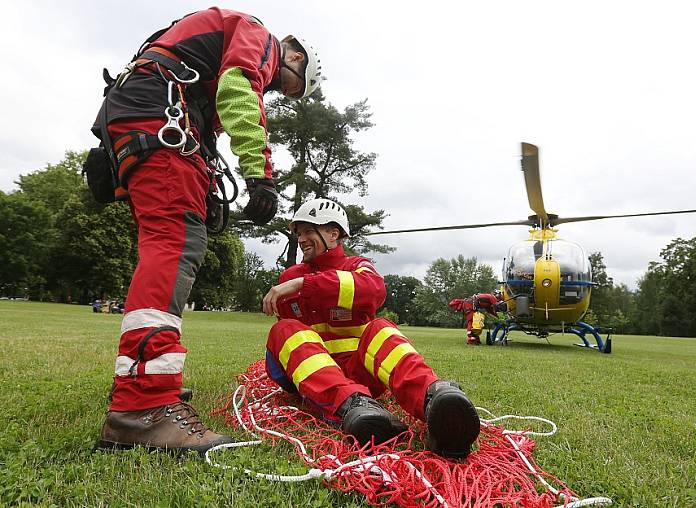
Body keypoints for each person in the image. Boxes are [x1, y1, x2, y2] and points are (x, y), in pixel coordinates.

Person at [96, 8, 322, 454]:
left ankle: (145, 377)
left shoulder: (208, 58)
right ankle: (143, 405)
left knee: (167, 244)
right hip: (155, 121)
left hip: (140, 119)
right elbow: (241, 89)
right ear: (296, 56)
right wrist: (260, 174)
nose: (284, 91)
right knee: (177, 243)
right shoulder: (261, 38)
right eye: (295, 86)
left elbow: (215, 105)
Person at [262, 199, 481, 459]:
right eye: (299, 233)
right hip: (321, 384)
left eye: (309, 230)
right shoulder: (288, 278)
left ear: (333, 234)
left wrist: (304, 285)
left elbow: (374, 290)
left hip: (363, 373)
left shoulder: (357, 266)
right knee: (283, 329)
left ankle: (437, 402)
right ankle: (353, 406)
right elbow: (287, 351)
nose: (302, 239)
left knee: (381, 327)